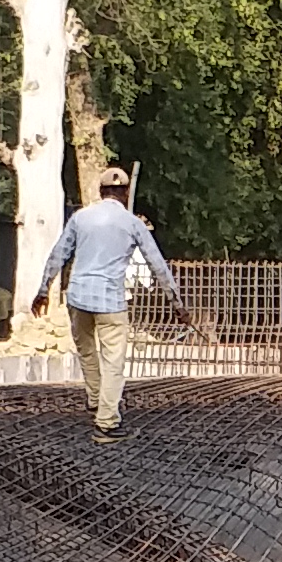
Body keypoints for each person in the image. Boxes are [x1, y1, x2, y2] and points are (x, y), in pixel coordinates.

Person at [28, 169, 177, 435]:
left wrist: (42, 290)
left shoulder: (81, 218)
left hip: (78, 297)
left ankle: (96, 400)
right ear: (126, 193)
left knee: (87, 352)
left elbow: (58, 255)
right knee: (113, 362)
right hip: (110, 301)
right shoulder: (133, 224)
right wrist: (176, 303)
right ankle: (107, 423)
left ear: (100, 191)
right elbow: (157, 265)